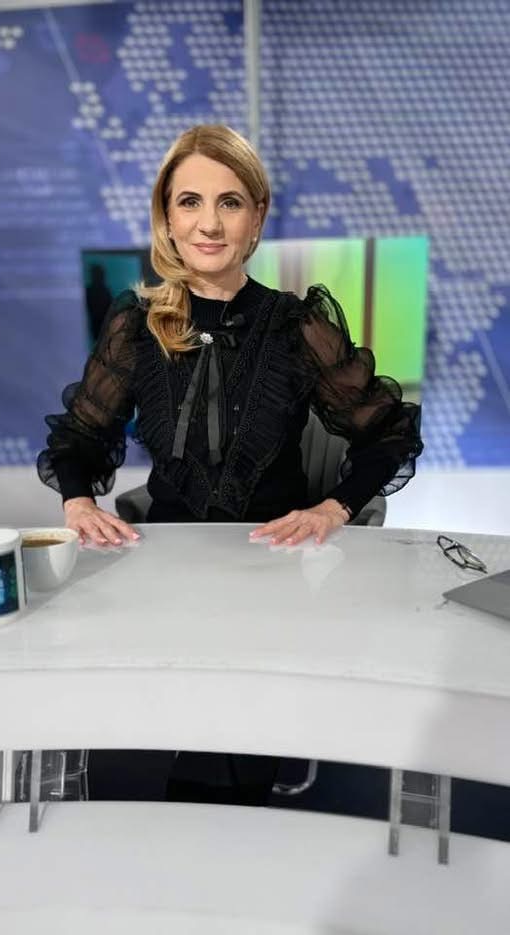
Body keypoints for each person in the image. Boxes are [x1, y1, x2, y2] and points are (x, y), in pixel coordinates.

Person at [38, 124, 423, 804]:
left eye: (230, 202)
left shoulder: (298, 326)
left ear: (257, 217)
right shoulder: (136, 324)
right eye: (189, 202)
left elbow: (387, 435)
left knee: (225, 756)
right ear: (167, 216)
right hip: (164, 571)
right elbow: (79, 437)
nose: (209, 224)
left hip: (268, 571)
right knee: (123, 722)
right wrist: (77, 501)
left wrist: (333, 506)